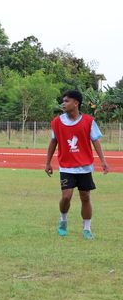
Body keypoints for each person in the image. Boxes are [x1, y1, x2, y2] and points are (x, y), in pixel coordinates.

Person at [45, 90, 109, 239]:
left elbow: (96, 141)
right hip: (66, 166)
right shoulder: (58, 121)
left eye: (67, 101)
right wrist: (47, 162)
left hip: (85, 166)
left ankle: (87, 229)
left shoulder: (88, 121)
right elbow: (53, 142)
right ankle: (63, 220)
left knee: (85, 197)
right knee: (66, 196)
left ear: (76, 103)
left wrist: (103, 161)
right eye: (63, 101)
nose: (64, 103)